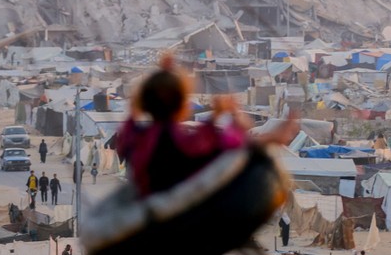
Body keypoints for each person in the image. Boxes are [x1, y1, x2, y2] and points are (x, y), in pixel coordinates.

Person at [116, 54, 297, 198]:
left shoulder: (137, 133)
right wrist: (226, 117)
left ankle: (269, 139)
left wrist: (160, 76)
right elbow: (211, 143)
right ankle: (271, 139)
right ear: (182, 107)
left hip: (147, 190)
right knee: (232, 151)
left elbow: (127, 128)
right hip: (169, 193)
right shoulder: (172, 137)